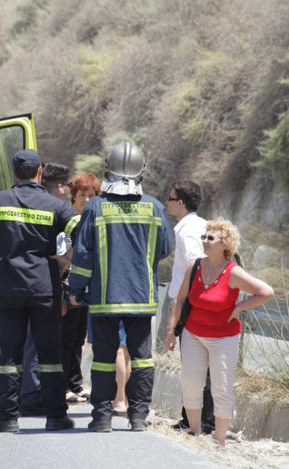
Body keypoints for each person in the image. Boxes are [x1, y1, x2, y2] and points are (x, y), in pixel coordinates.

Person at [0, 149, 77, 433]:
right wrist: (66, 258)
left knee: (10, 356)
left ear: (14, 173)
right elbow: (83, 230)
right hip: (43, 287)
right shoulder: (54, 205)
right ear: (40, 172)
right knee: (49, 354)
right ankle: (56, 417)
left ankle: (8, 418)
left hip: (9, 287)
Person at [69, 141, 173, 432]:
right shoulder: (154, 207)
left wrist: (76, 288)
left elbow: (83, 255)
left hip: (104, 298)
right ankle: (138, 417)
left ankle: (102, 417)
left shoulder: (96, 208)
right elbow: (164, 247)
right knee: (141, 359)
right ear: (141, 170)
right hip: (142, 297)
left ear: (108, 169)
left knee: (103, 358)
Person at [165, 219, 273, 446]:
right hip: (193, 334)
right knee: (191, 383)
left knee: (221, 386)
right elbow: (180, 298)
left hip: (224, 338)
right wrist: (171, 330)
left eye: (210, 238)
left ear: (225, 244)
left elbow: (266, 292)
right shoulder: (194, 266)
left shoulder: (233, 272)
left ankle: (219, 440)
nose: (204, 241)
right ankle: (194, 434)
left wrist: (239, 308)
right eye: (204, 236)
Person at [19, 162, 72, 415]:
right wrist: (67, 259)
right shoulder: (57, 210)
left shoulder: (23, 204)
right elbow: (79, 235)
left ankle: (30, 392)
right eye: (69, 186)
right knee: (39, 343)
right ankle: (33, 395)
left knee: (29, 342)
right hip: (43, 283)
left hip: (17, 282)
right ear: (61, 187)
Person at [164, 180, 214, 434]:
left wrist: (185, 303)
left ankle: (199, 422)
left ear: (180, 203)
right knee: (199, 364)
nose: (167, 202)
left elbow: (197, 265)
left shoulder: (187, 230)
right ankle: (196, 419)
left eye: (170, 198)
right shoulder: (200, 224)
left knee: (195, 365)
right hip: (197, 303)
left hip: (191, 304)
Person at [60, 173, 100, 403]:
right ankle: (64, 384)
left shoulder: (94, 221)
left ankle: (76, 384)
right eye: (82, 195)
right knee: (65, 337)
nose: (86, 200)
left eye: (91, 195)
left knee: (78, 338)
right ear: (73, 197)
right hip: (67, 286)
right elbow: (62, 255)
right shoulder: (68, 221)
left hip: (86, 289)